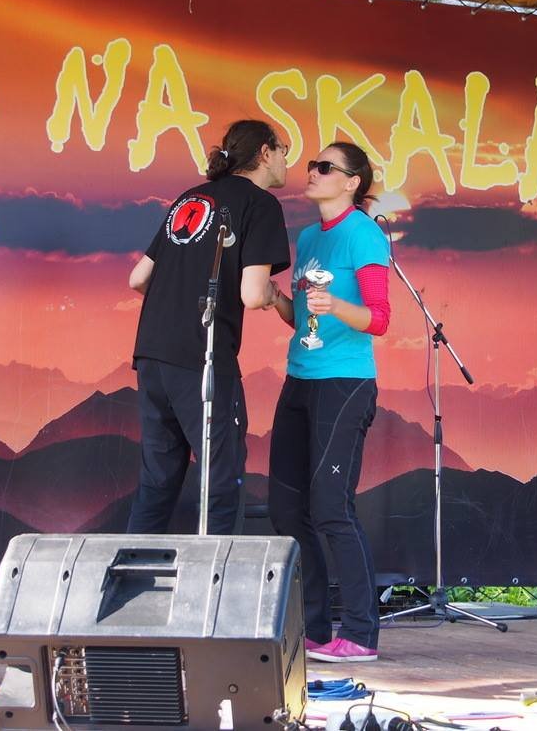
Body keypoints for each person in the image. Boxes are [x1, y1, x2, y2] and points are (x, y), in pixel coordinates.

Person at [127, 119, 291, 535]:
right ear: (265, 153)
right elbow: (252, 294)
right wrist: (275, 296)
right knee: (221, 480)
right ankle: (217, 575)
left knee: (157, 480)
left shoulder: (191, 198)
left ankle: (129, 571)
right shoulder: (260, 204)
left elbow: (138, 278)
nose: (286, 159)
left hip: (152, 352)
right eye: (284, 149)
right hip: (202, 357)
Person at [266, 141, 391, 664]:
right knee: (286, 508)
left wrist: (336, 303)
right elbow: (305, 321)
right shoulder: (310, 237)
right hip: (301, 377)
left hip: (345, 382)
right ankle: (316, 628)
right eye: (312, 165)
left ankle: (360, 634)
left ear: (352, 182)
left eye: (325, 167)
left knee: (331, 508)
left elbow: (379, 318)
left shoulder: (364, 234)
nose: (312, 172)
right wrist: (279, 300)